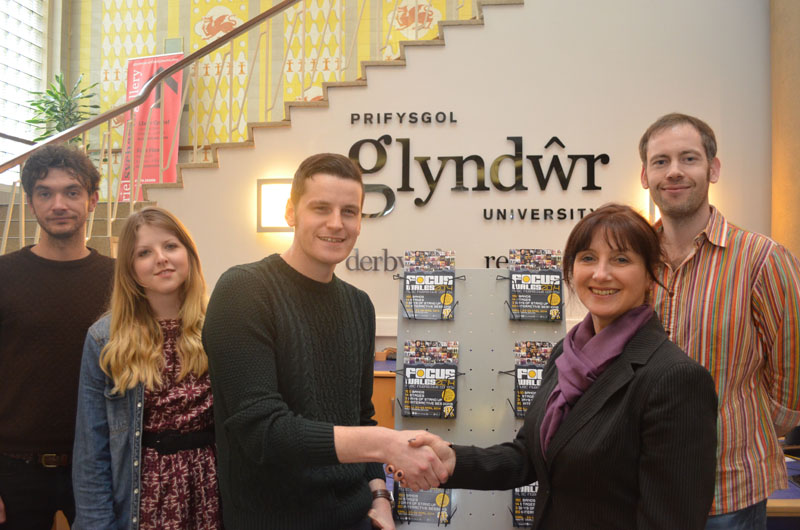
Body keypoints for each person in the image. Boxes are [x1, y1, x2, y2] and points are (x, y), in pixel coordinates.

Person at [402, 204, 719, 529]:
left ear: (652, 271)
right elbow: (529, 455)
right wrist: (452, 460)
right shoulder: (565, 355)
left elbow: (670, 520)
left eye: (621, 259)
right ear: (570, 269)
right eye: (588, 258)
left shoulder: (675, 379)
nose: (600, 273)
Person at [202, 153, 447, 530]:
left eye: (349, 211)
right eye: (321, 208)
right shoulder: (244, 291)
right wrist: (384, 443)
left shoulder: (358, 305)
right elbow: (263, 432)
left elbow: (360, 416)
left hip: (357, 517)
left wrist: (380, 496)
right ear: (290, 212)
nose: (336, 223)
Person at [637, 113, 800, 529]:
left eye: (688, 158)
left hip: (728, 489)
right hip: (643, 483)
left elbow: (792, 376)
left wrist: (743, 428)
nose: (674, 171)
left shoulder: (762, 259)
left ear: (713, 168)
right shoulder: (632, 260)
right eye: (660, 161)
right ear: (644, 176)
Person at [72, 207, 221, 529]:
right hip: (143, 500)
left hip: (215, 495)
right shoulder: (105, 340)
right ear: (130, 268)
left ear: (189, 254)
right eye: (144, 252)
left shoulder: (220, 328)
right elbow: (91, 452)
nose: (161, 258)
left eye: (170, 246)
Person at [0, 145, 114, 529]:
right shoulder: (3, 276)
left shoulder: (122, 280)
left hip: (101, 464)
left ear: (93, 200)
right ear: (31, 203)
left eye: (71, 191)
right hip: (14, 468)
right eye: (45, 193)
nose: (58, 204)